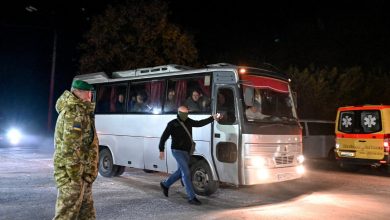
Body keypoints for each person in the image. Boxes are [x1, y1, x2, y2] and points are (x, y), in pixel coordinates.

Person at [53, 80, 99, 219]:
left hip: (82, 174)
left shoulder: (82, 111)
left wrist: (86, 174)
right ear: (78, 92)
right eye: (88, 92)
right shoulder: (73, 113)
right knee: (67, 215)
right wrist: (75, 178)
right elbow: (70, 149)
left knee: (86, 214)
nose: (90, 95)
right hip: (74, 176)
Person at [158, 106, 221, 205]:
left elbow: (199, 123)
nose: (185, 115)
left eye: (187, 113)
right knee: (186, 172)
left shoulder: (188, 121)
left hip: (187, 152)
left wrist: (212, 118)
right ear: (179, 113)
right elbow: (164, 137)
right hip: (177, 151)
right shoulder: (172, 124)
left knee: (180, 172)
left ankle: (165, 184)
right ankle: (191, 197)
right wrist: (161, 149)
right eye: (183, 113)